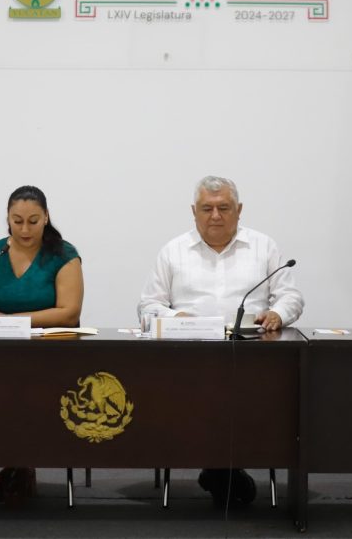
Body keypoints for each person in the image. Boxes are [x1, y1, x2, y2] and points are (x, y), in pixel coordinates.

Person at [137, 176, 303, 506]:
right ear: (193, 211)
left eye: (224, 208)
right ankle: (222, 470)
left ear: (239, 210)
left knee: (250, 392)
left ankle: (219, 468)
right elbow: (147, 306)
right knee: (202, 392)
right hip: (190, 359)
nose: (215, 215)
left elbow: (291, 296)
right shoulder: (173, 251)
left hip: (251, 357)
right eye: (207, 208)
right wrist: (176, 317)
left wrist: (278, 314)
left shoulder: (264, 247)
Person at [0, 185, 83, 502]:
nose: (24, 230)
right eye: (17, 221)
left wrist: (9, 320)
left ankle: (18, 462)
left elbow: (69, 313)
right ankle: (18, 462)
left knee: (24, 387)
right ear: (7, 218)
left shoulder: (63, 255)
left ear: (46, 217)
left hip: (47, 359)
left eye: (33, 221)